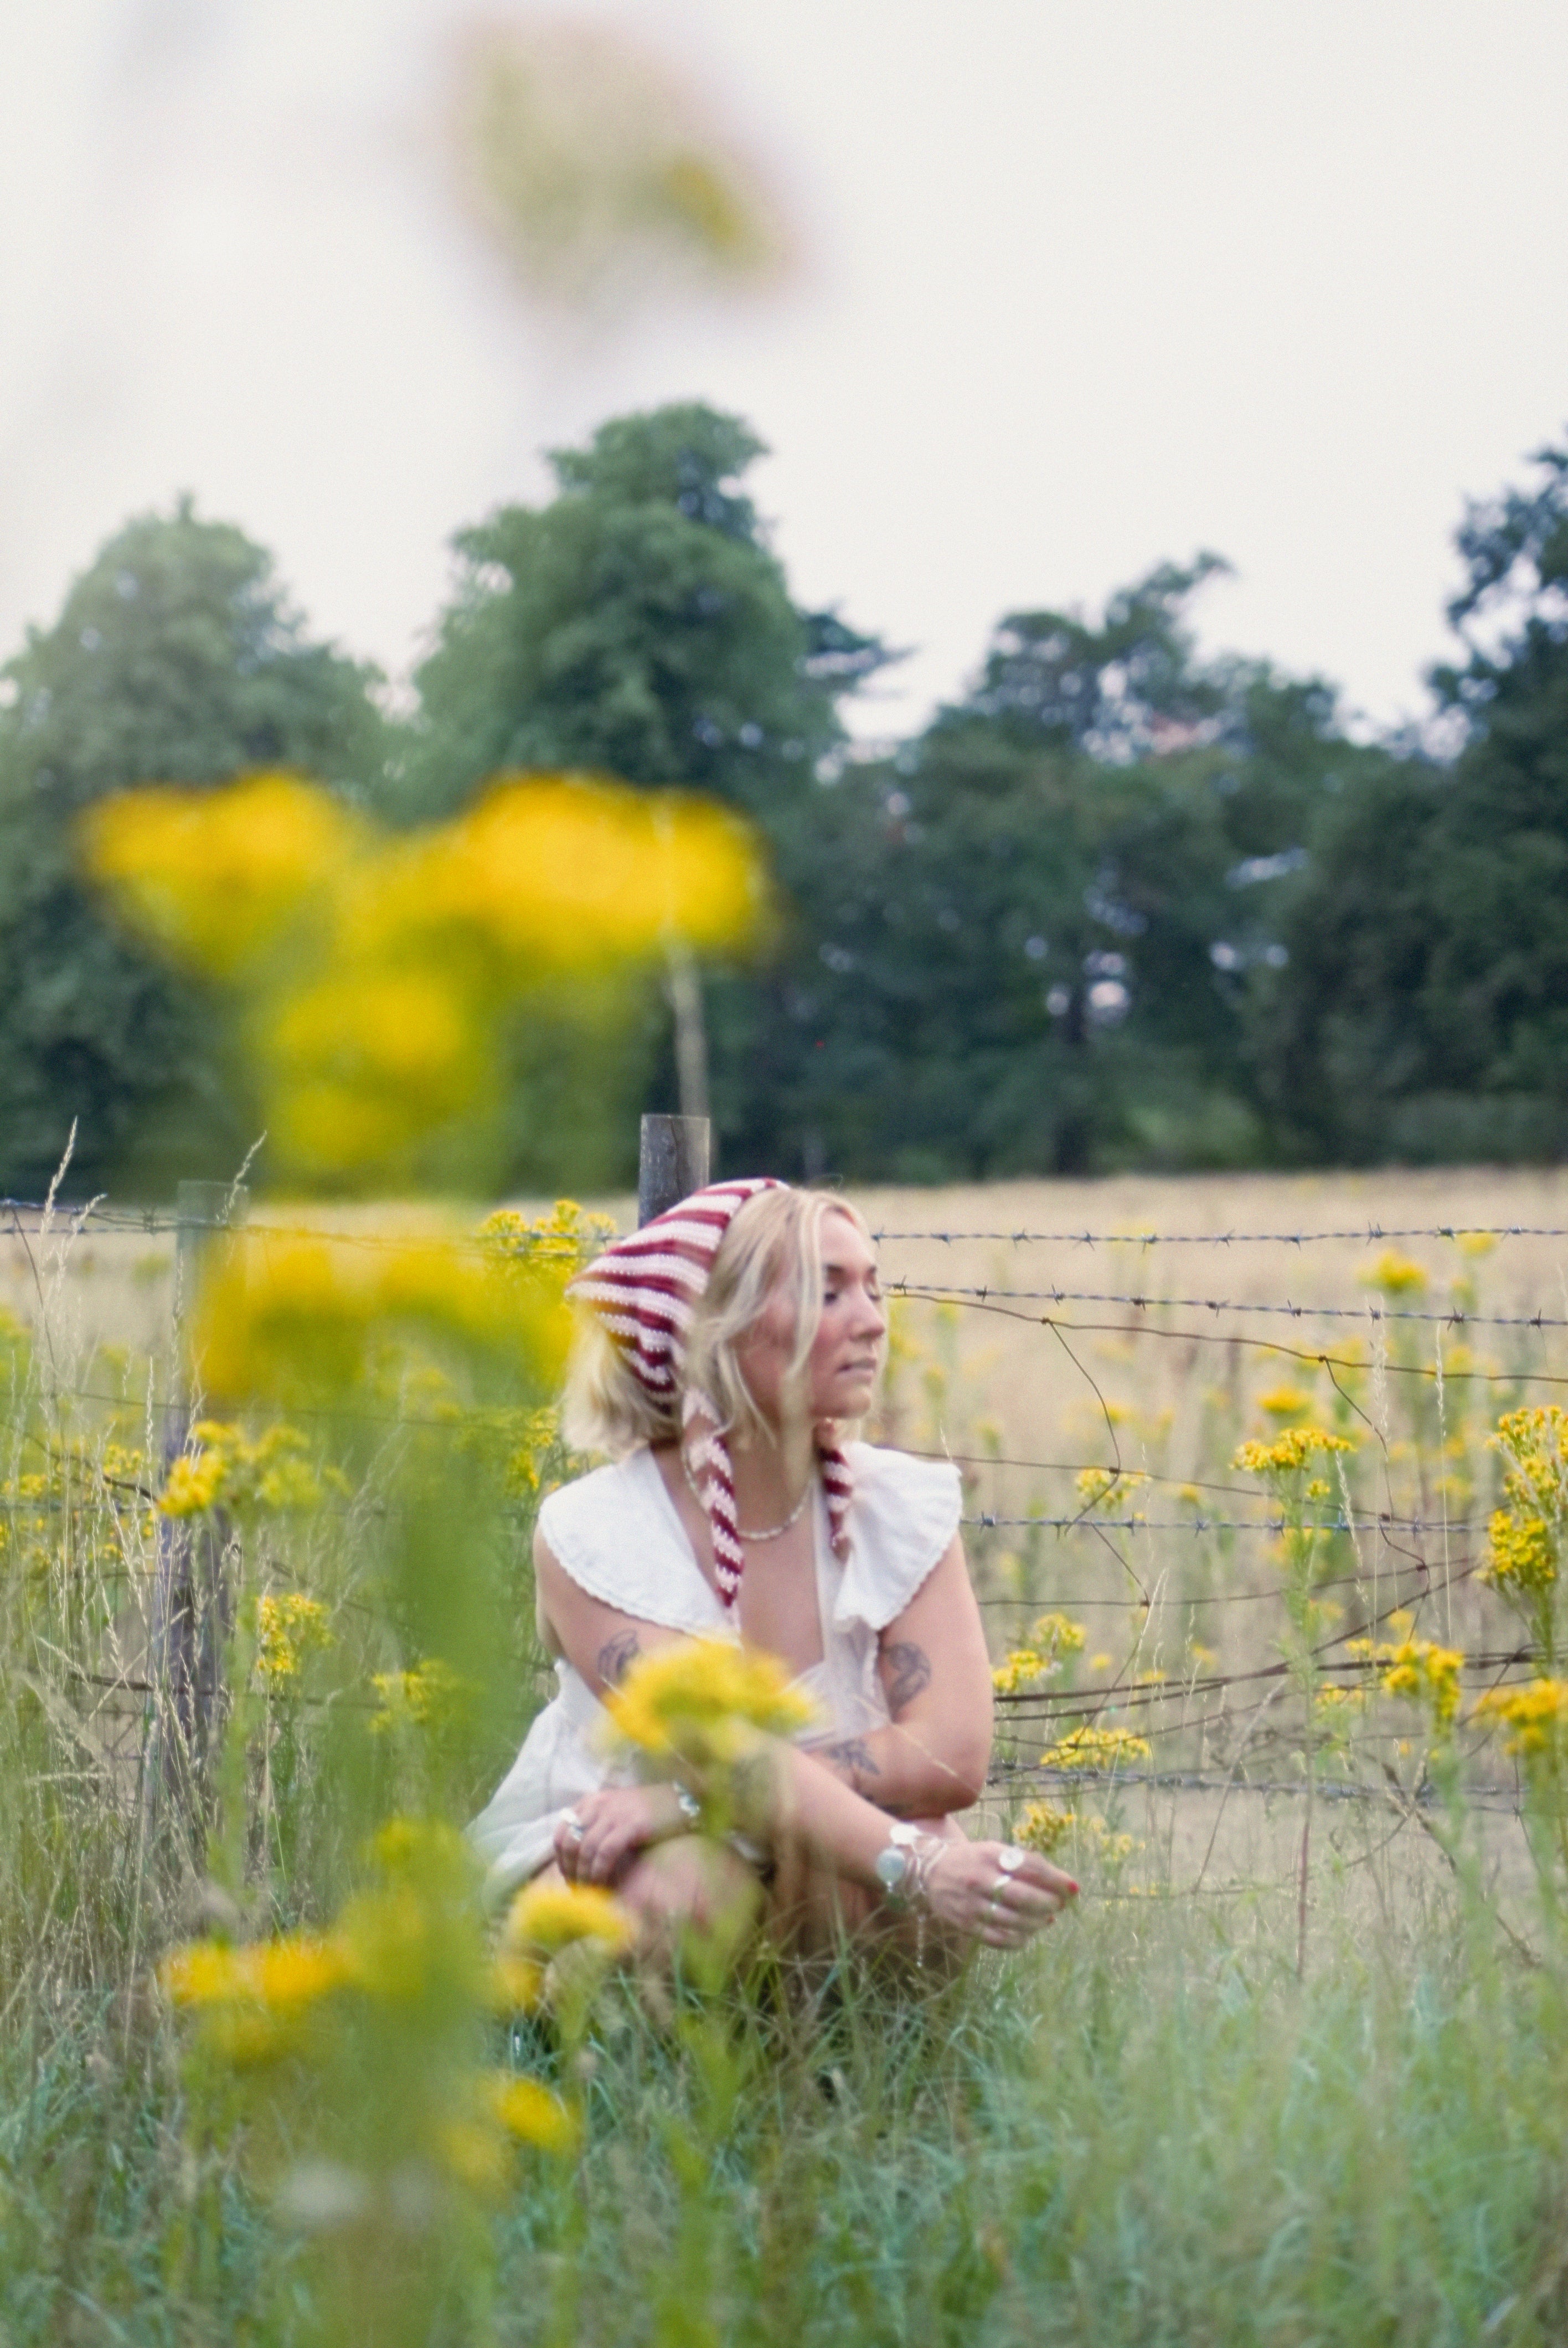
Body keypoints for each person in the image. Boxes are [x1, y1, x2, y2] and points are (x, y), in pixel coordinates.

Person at [469, 1179, 1076, 1959]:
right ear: (718, 1332)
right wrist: (918, 1866)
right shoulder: (598, 1532)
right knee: (691, 1887)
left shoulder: (898, 1505)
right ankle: (606, 2070)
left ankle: (855, 2081)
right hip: (609, 1858)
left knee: (904, 1852)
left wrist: (684, 1800)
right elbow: (723, 1755)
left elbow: (950, 1757)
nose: (871, 1322)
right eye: (827, 1294)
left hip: (754, 1834)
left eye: (873, 1288)